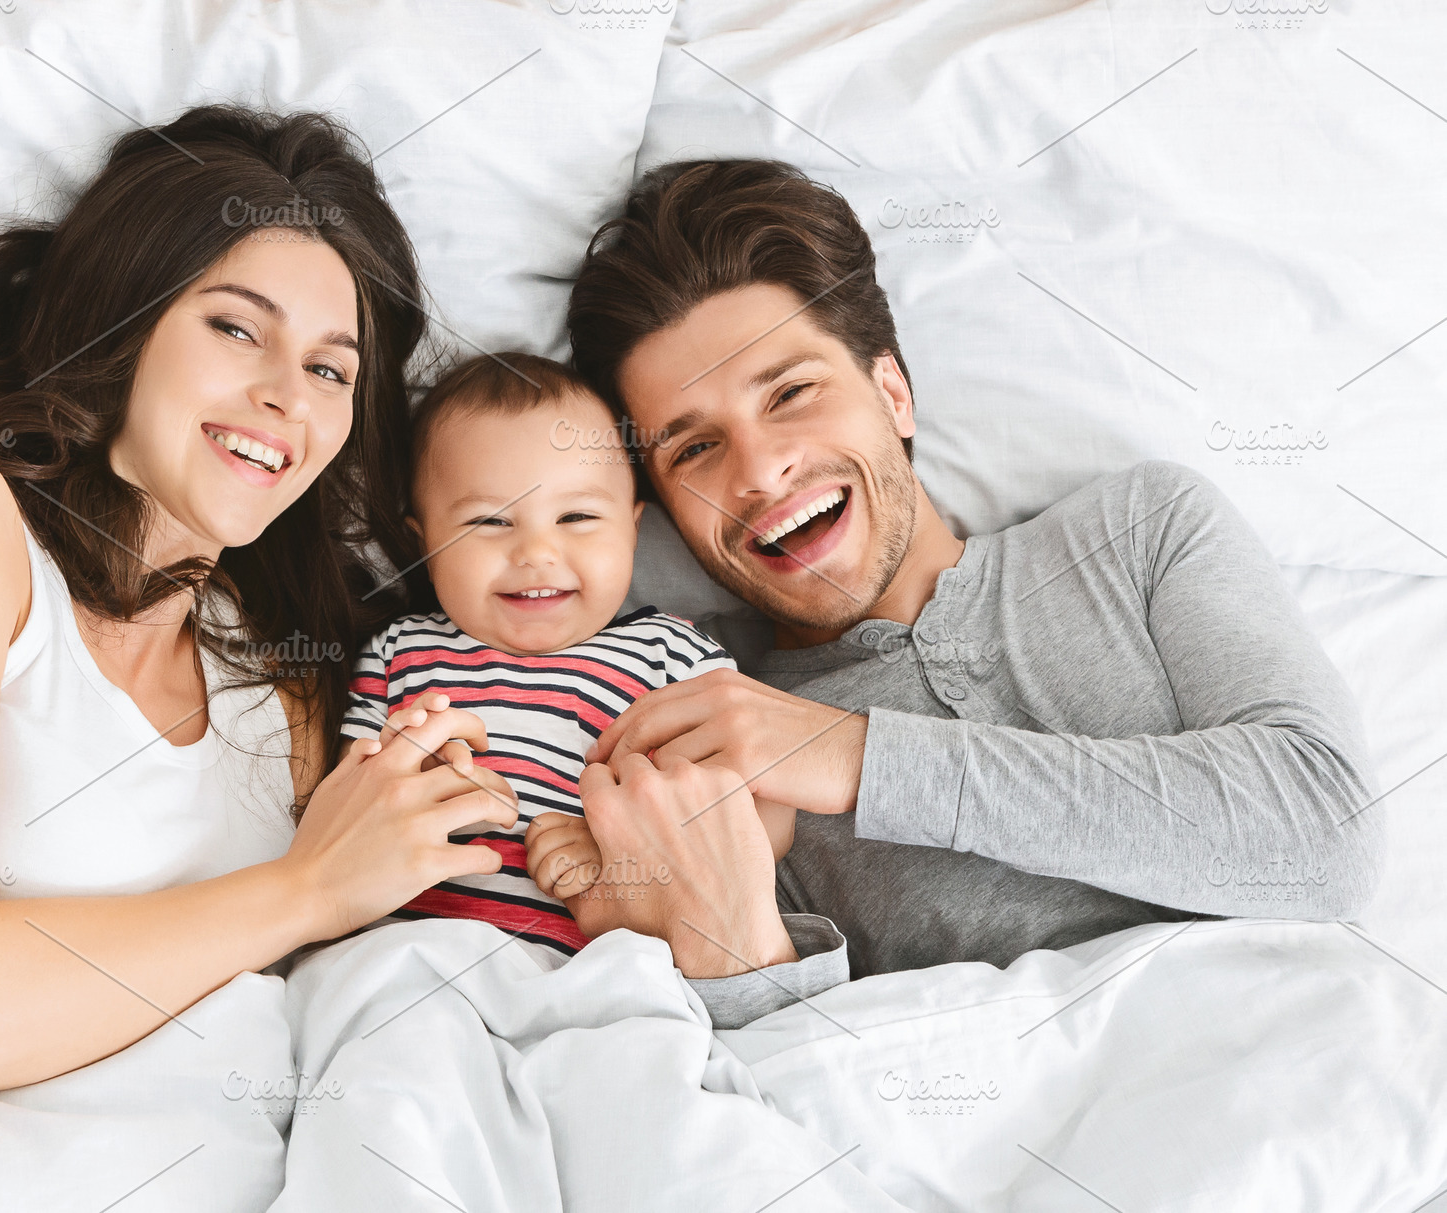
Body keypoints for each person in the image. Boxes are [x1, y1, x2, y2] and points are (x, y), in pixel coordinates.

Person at [558, 158, 1385, 984]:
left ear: (893, 392)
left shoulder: (1143, 531)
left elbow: (1328, 833)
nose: (761, 470)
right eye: (695, 447)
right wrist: (726, 944)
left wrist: (859, 757)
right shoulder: (723, 768)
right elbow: (779, 1078)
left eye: (791, 394)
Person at [336, 352, 795, 960]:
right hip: (409, 955)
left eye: (577, 516)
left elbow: (764, 810)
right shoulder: (401, 651)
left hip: (596, 961)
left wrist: (620, 853)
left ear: (632, 529)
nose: (537, 551)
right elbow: (346, 803)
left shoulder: (672, 657)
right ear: (424, 544)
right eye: (489, 521)